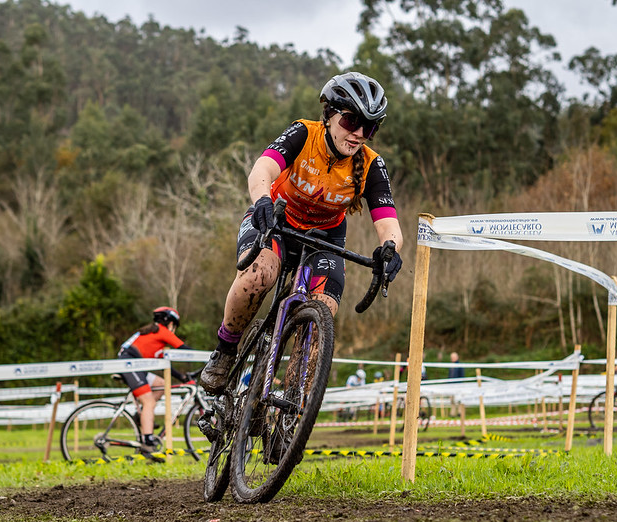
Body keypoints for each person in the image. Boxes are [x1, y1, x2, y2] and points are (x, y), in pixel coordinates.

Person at [199, 71, 403, 398]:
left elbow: (388, 221)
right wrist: (262, 200)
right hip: (276, 219)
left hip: (325, 238)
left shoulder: (371, 164)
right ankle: (225, 350)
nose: (359, 134)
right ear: (329, 116)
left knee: (323, 312)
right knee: (259, 276)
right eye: (351, 121)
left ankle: (294, 409)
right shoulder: (303, 133)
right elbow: (263, 168)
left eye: (371, 127)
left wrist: (389, 248)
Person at [117, 306, 191, 460]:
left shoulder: (152, 336)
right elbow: (185, 350)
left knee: (162, 384)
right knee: (149, 401)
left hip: (135, 364)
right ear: (170, 323)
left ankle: (143, 416)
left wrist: (182, 377)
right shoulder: (162, 331)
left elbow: (166, 364)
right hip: (130, 363)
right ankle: (148, 440)